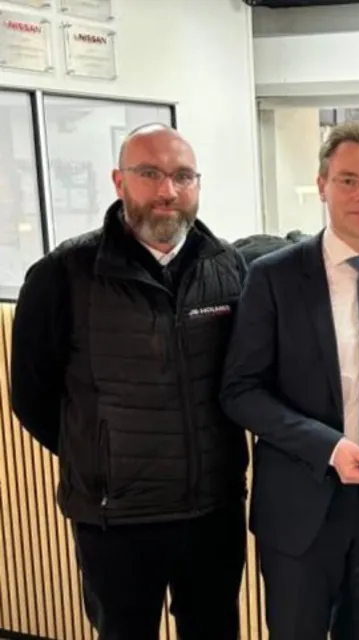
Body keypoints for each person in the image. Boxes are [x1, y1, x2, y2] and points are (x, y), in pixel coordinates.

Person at [10, 123, 249, 639]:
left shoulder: (228, 268)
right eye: (150, 174)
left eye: (183, 176)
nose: (168, 191)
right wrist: (99, 455)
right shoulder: (63, 274)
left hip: (213, 509)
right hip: (116, 519)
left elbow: (243, 380)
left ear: (198, 184)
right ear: (120, 181)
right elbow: (32, 395)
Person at [219, 121, 359, 640]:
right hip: (302, 504)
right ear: (322, 185)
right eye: (347, 180)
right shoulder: (274, 275)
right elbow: (240, 391)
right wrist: (329, 447)